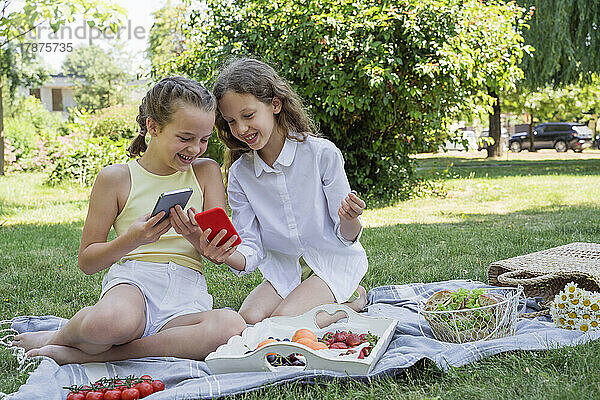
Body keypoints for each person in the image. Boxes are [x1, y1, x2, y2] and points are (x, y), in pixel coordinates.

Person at [12, 77, 246, 365]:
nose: (196, 149)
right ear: (153, 127)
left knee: (231, 327)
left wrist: (201, 243)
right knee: (110, 323)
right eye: (185, 138)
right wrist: (134, 239)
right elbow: (88, 262)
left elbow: (219, 248)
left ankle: (94, 356)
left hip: (187, 294)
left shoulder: (206, 172)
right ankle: (55, 338)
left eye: (204, 139)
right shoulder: (116, 178)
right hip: (134, 284)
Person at [208, 57, 369, 325]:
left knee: (283, 321)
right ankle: (315, 300)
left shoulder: (321, 154)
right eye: (231, 121)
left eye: (248, 116)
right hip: (285, 270)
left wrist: (350, 218)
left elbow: (347, 236)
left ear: (275, 104)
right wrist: (226, 254)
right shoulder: (240, 174)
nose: (241, 129)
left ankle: (354, 301)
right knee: (247, 319)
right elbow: (251, 246)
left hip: (331, 262)